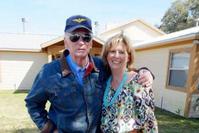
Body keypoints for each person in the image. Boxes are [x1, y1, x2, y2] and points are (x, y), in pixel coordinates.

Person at [25, 15, 154, 133]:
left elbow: (123, 69)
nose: (81, 42)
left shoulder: (101, 67)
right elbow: (33, 103)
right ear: (65, 42)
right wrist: (49, 129)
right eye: (74, 37)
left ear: (91, 43)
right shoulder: (49, 72)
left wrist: (145, 72)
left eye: (86, 37)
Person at [100, 33, 158, 133]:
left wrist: (147, 72)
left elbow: (149, 124)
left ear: (129, 57)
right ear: (106, 56)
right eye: (112, 51)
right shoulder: (105, 82)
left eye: (121, 52)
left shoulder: (138, 82)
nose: (116, 56)